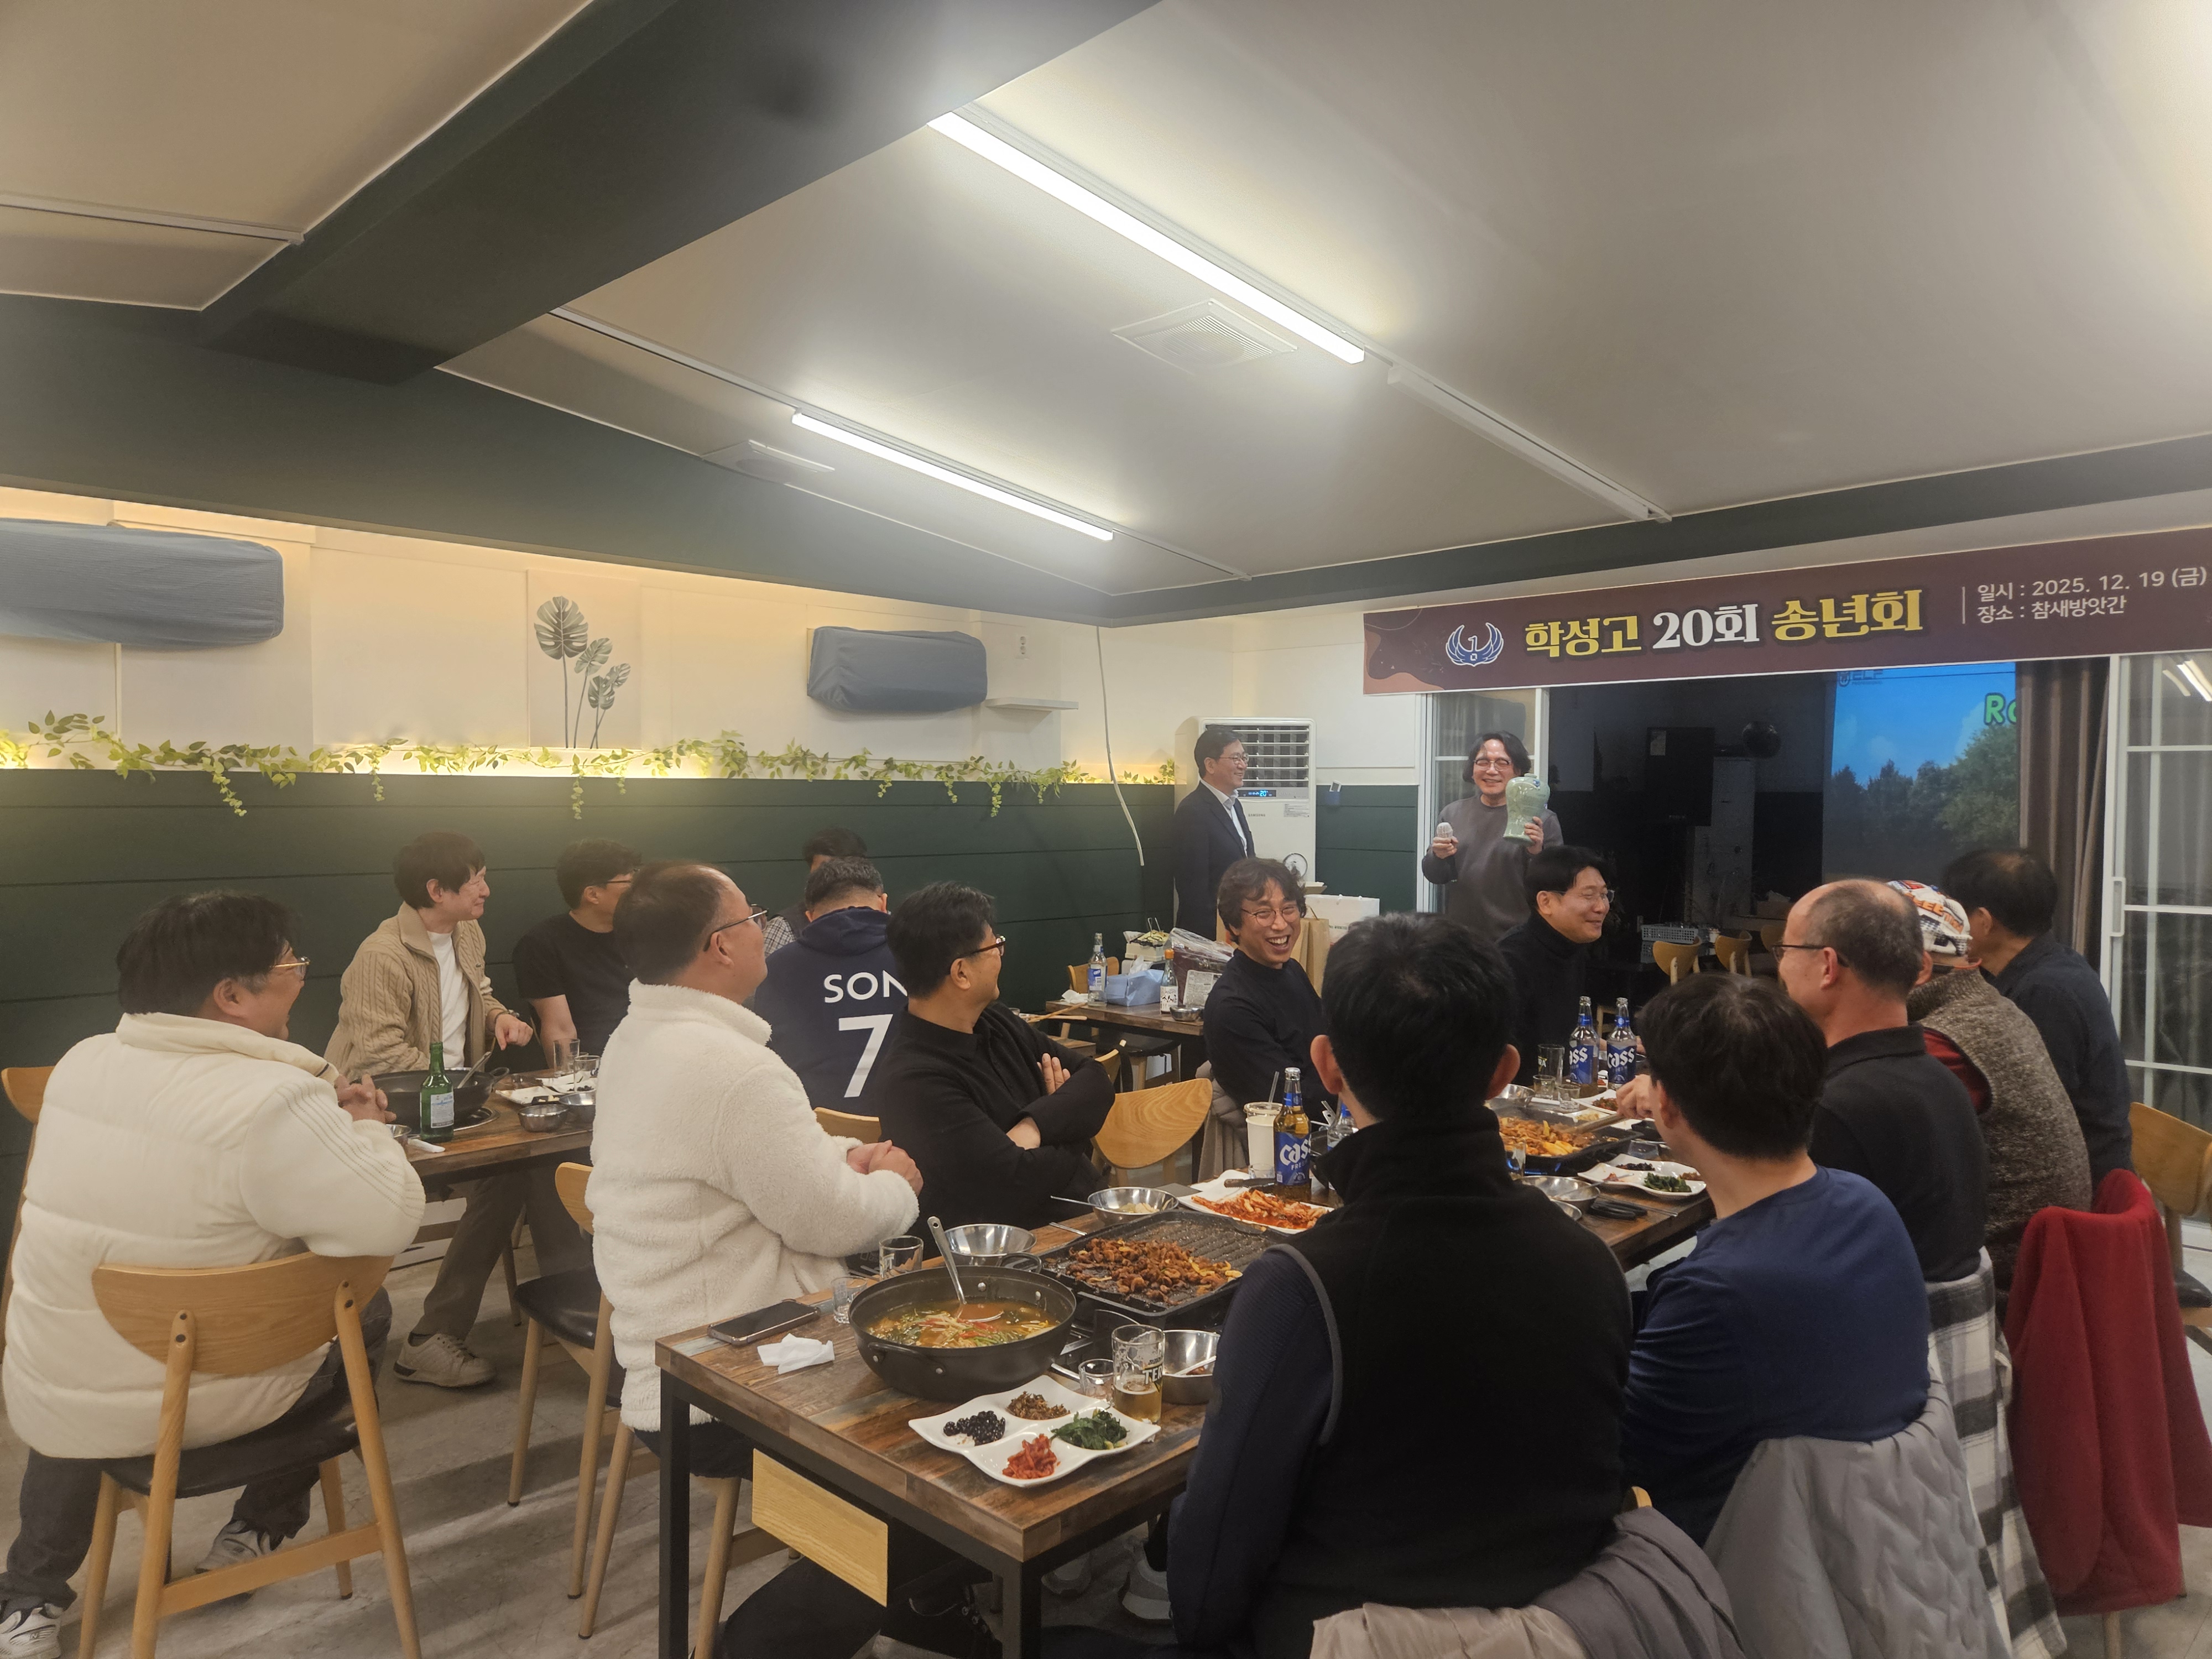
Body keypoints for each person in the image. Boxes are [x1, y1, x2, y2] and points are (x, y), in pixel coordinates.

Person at [1166, 913, 1631, 1658]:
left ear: (1327, 1066)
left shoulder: (1302, 1288)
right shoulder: (1590, 1261)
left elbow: (1215, 1564)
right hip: (1575, 1627)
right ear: (1504, 1072)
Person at [0, 893, 424, 1659]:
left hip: (50, 1388)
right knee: (365, 1308)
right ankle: (259, 1525)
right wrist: (363, 1130)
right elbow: (385, 1221)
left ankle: (28, 1598)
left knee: (88, 1366)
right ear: (231, 996)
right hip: (195, 1401)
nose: (301, 976)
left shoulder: (81, 1063)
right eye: (289, 964)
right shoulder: (272, 1099)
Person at [589, 864, 992, 1659]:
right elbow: (829, 1219)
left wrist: (844, 1157)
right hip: (734, 1377)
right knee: (959, 1477)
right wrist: (896, 1184)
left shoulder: (641, 1037)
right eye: (752, 918)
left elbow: (771, 1159)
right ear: (719, 947)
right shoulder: (730, 1067)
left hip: (665, 1357)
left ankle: (921, 1605)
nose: (765, 929)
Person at [1620, 973, 1931, 1545]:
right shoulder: (1866, 1205)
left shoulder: (1721, 1290)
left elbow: (1608, 1449)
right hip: (1880, 1539)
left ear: (1665, 1104)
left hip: (1736, 1560)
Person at [325, 830, 587, 1388]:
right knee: (522, 1171)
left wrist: (499, 1018)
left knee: (532, 1165)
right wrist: (468, 1086)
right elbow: (379, 1056)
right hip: (386, 1113)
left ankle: (560, 1315)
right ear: (435, 890)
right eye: (475, 881)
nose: (486, 890)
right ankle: (575, 1317)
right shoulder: (381, 956)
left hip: (452, 1101)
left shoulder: (466, 931)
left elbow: (479, 991)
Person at [862, 882, 1112, 1230]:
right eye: (995, 945)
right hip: (1016, 1248)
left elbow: (1097, 1080)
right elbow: (1014, 1185)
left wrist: (1035, 1127)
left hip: (1087, 1215)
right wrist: (1072, 1125)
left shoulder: (996, 1021)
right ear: (961, 973)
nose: (1001, 955)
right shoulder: (914, 1082)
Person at [1773, 880, 1989, 1283]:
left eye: (1785, 950)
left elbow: (1784, 1266)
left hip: (1866, 1318)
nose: (1781, 966)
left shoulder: (1840, 1109)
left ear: (1827, 966)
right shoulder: (1939, 1080)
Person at [1893, 880, 2092, 1293]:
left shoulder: (1943, 1042)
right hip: (2048, 1252)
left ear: (1920, 968)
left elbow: (1892, 1160)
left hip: (2003, 1272)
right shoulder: (1994, 1006)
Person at [1942, 847, 2132, 1182]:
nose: (1946, 923)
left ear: (1983, 922)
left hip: (2073, 1180)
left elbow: (2036, 1115)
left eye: (1953, 913)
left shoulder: (2045, 992)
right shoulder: (2048, 964)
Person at [1199, 858, 1333, 1174]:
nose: (1281, 924)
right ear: (1234, 925)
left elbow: (1329, 1041)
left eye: (1289, 909)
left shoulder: (1291, 971)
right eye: (1264, 913)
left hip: (1323, 1127)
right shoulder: (1232, 1007)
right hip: (1283, 1156)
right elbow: (1291, 1102)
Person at [753, 856, 904, 1109]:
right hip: (912, 1122)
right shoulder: (918, 955)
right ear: (883, 904)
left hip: (812, 1126)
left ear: (810, 917)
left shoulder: (776, 969)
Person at [1420, 731, 1562, 943]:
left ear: (1518, 770)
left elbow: (1554, 885)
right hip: (1462, 938)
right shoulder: (1453, 813)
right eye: (1483, 762)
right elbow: (1437, 876)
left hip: (1518, 941)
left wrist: (1535, 853)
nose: (1491, 770)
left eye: (1503, 763)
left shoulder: (1542, 820)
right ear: (1472, 769)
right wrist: (1437, 856)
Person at [1494, 845, 1611, 1087]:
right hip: (1519, 1098)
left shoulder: (1572, 947)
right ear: (1546, 902)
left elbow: (1562, 1031)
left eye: (1604, 895)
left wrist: (1612, 1047)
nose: (1601, 907)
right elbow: (1496, 1051)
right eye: (1588, 896)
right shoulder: (1511, 958)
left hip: (1559, 1092)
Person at [512, 837, 639, 1057]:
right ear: (593, 894)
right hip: (593, 1064)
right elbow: (560, 1030)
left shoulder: (643, 933)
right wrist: (572, 1077)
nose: (636, 891)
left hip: (652, 1053)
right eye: (627, 883)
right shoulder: (541, 943)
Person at [1172, 726, 1255, 935]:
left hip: (1238, 927)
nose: (1243, 765)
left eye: (1244, 757)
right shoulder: (1193, 811)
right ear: (1210, 765)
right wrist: (1222, 933)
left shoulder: (1235, 805)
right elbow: (1194, 891)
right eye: (1235, 758)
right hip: (1208, 933)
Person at [760, 826, 868, 957]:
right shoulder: (784, 927)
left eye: (843, 869)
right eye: (824, 870)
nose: (833, 877)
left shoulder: (885, 922)